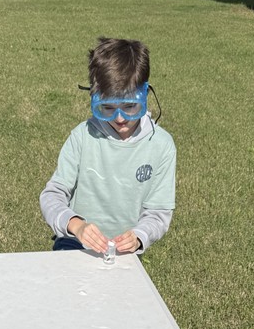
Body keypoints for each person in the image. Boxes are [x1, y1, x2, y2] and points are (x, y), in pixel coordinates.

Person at [40, 36, 176, 255]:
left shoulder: (161, 145)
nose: (120, 118)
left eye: (130, 106)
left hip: (123, 250)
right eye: (108, 108)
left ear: (146, 94)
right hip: (75, 243)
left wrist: (139, 237)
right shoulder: (82, 136)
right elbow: (52, 195)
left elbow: (158, 213)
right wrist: (76, 225)